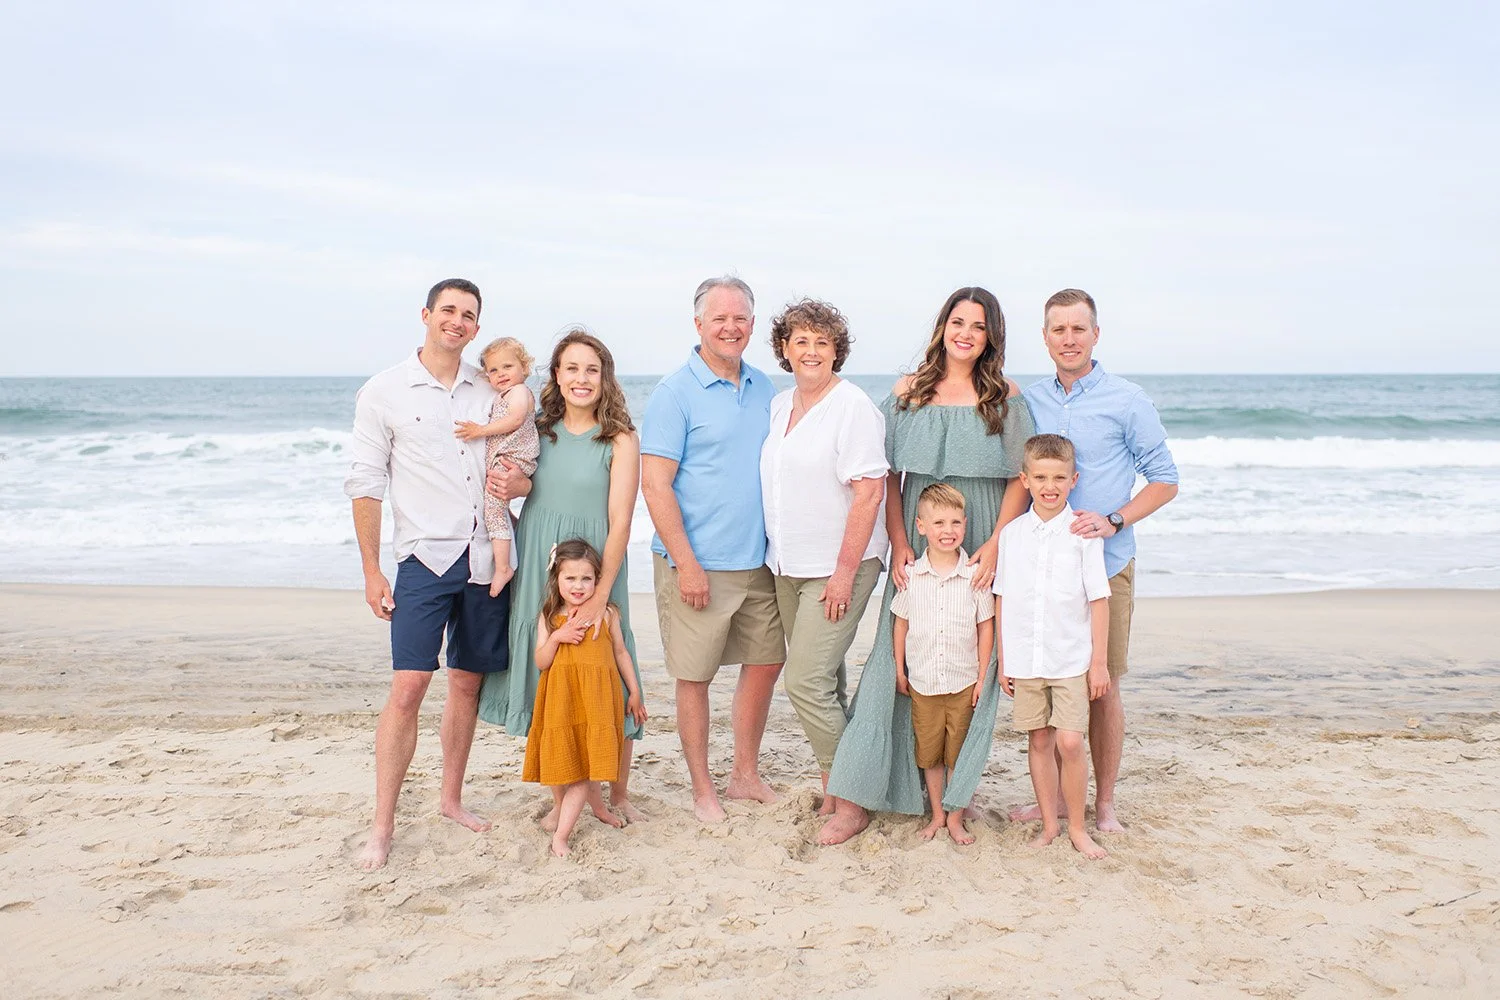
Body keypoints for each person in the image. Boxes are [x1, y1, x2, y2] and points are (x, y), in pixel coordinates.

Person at [820, 286, 1034, 846]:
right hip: (920, 527)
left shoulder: (1005, 395)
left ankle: (955, 796)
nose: (966, 333)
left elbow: (1020, 477)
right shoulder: (908, 393)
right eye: (958, 321)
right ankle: (866, 792)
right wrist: (897, 538)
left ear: (992, 337)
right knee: (899, 658)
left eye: (979, 326)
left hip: (985, 525)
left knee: (972, 658)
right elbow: (887, 475)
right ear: (942, 326)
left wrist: (996, 545)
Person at [343, 277, 511, 871]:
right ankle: (382, 825)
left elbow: (513, 463)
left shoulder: (490, 391)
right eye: (449, 311)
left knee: (466, 684)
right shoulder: (385, 391)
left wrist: (519, 486)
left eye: (469, 315)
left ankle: (450, 800)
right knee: (410, 685)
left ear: (476, 326)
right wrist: (371, 570)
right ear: (426, 315)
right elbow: (366, 484)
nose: (458, 322)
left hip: (485, 559)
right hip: (422, 559)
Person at [1021, 288, 1179, 833]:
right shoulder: (1029, 400)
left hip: (1105, 565)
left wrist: (1114, 519)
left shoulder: (1127, 399)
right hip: (1041, 571)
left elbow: (1166, 481)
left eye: (1078, 329)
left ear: (1095, 334)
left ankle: (1103, 803)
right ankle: (1059, 802)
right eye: (1058, 329)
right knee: (1047, 684)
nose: (1068, 338)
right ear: (1045, 337)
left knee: (1101, 684)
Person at [477, 329, 647, 824]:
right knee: (551, 671)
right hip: (541, 562)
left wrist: (602, 596)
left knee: (606, 666)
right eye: (571, 368)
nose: (581, 378)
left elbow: (621, 523)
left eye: (591, 370)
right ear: (556, 374)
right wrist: (513, 483)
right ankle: (562, 795)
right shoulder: (537, 428)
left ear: (604, 378)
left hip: (599, 568)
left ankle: (616, 792)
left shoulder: (619, 438)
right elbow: (516, 476)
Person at [641, 275, 786, 823]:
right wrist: (688, 564)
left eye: (741, 317)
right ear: (698, 323)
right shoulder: (674, 393)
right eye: (719, 317)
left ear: (752, 323)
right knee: (694, 676)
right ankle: (704, 788)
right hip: (696, 563)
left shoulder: (766, 387)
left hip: (758, 562)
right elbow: (655, 484)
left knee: (768, 661)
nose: (731, 327)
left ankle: (744, 775)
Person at [759, 298, 888, 816]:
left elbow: (870, 493)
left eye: (822, 342)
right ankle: (839, 786)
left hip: (840, 568)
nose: (811, 351)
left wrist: (843, 573)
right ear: (785, 350)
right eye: (801, 341)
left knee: (805, 681)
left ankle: (851, 800)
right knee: (826, 679)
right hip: (786, 566)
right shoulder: (780, 405)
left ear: (837, 351)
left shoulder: (852, 406)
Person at [994, 434, 1112, 859]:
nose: (1050, 486)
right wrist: (1005, 659)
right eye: (1041, 477)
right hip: (1026, 659)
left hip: (1069, 659)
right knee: (1039, 741)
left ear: (1073, 479)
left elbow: (1099, 600)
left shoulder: (1084, 533)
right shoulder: (1012, 534)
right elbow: (1003, 595)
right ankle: (1048, 825)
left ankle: (1077, 827)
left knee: (1069, 742)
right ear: (1025, 479)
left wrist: (1098, 664)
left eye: (1059, 477)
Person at [522, 539, 647, 857]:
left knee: (587, 765)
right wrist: (557, 639)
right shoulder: (550, 617)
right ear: (557, 580)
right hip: (562, 703)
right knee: (566, 761)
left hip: (596, 702)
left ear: (598, 580)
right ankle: (573, 814)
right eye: (570, 578)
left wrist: (634, 691)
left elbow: (621, 653)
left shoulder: (606, 615)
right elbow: (541, 661)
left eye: (586, 578)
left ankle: (570, 829)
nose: (578, 586)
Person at [891, 483, 995, 844]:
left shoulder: (975, 577)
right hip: (923, 683)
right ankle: (937, 814)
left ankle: (955, 816)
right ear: (921, 526)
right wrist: (900, 670)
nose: (947, 531)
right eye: (938, 523)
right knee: (930, 755)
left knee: (958, 755)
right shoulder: (911, 576)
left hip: (964, 682)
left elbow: (985, 628)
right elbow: (900, 624)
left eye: (955, 522)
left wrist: (983, 676)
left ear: (965, 525)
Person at [454, 336, 539, 597]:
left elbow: (515, 419)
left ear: (524, 368)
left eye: (507, 367)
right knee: (497, 508)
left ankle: (503, 567)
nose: (500, 374)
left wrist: (481, 430)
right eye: (493, 370)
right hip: (504, 457)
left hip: (514, 457)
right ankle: (513, 532)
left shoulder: (520, 392)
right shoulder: (502, 393)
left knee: (492, 510)